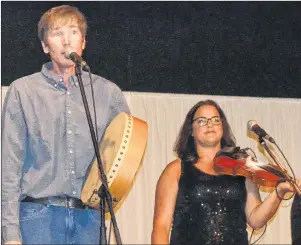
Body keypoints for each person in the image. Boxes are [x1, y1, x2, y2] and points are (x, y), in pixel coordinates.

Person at [1, 5, 130, 245]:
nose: (66, 40)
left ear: (83, 42)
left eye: (73, 32)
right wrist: (10, 234)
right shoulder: (23, 91)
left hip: (89, 220)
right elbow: (9, 165)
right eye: (57, 33)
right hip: (38, 216)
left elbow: (123, 157)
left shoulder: (108, 93)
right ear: (45, 46)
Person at [151, 99, 301, 245]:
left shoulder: (242, 169)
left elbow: (256, 220)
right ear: (191, 130)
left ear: (222, 127)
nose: (210, 124)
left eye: (215, 120)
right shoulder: (176, 170)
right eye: (202, 121)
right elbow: (161, 227)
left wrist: (279, 192)